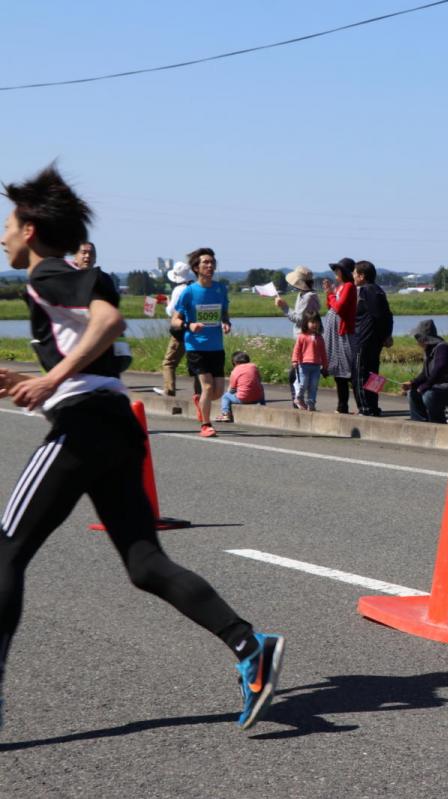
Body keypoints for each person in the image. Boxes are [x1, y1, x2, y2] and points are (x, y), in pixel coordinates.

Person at [0, 164, 282, 732]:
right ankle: (250, 647)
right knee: (144, 563)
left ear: (30, 228)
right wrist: (28, 376)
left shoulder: (46, 273)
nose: (2, 234)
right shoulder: (68, 275)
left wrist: (53, 382)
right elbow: (93, 343)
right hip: (117, 426)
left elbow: (107, 320)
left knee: (5, 554)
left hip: (83, 427)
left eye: (7, 223)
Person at [171, 247, 230, 438]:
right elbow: (175, 320)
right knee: (207, 387)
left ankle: (200, 401)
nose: (210, 266)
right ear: (196, 268)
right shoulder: (189, 292)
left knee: (218, 391)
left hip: (216, 346)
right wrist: (190, 325)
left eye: (212, 262)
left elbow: (224, 313)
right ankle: (206, 425)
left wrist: (226, 323)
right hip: (195, 346)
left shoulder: (220, 289)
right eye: (206, 262)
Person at [274, 265, 320, 408]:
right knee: (298, 374)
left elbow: (300, 319)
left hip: (305, 340)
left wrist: (284, 307)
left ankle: (299, 402)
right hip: (302, 338)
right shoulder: (303, 295)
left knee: (298, 374)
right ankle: (299, 401)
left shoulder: (308, 297)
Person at [353, 260, 393, 417]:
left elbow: (377, 315)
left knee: (359, 375)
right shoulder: (379, 290)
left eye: (355, 274)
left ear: (362, 276)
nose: (353, 276)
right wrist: (386, 335)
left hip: (364, 340)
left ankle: (365, 408)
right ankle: (374, 406)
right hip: (375, 341)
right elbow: (388, 316)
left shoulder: (365, 290)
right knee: (373, 375)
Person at [404, 320, 448, 424]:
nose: (417, 341)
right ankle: (420, 422)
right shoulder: (429, 350)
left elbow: (439, 369)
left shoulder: (443, 348)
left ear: (424, 338)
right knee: (412, 393)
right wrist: (412, 383)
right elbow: (425, 374)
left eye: (417, 338)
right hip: (439, 387)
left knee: (429, 395)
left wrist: (425, 386)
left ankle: (437, 423)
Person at [322, 258, 357, 414]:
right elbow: (330, 305)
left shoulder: (349, 287)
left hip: (343, 333)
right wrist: (330, 293)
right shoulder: (340, 288)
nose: (336, 273)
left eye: (338, 270)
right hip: (335, 334)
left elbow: (339, 308)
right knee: (338, 371)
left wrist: (330, 295)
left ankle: (363, 406)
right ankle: (342, 406)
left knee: (349, 370)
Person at [155, 260, 193, 398]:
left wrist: (168, 302)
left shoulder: (178, 290)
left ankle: (169, 390)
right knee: (195, 364)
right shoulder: (194, 287)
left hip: (180, 330)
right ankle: (199, 393)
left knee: (168, 362)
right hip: (193, 330)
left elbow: (171, 312)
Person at [292, 312, 328, 411]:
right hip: (303, 365)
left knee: (313, 385)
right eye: (312, 322)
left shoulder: (319, 338)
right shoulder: (302, 336)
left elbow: (323, 353)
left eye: (316, 322)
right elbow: (297, 349)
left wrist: (325, 366)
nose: (314, 324)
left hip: (316, 366)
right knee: (303, 384)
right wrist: (295, 360)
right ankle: (299, 398)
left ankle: (311, 402)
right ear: (306, 323)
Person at [218, 350, 266, 421]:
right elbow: (259, 379)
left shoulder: (235, 370)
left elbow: (232, 388)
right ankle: (263, 405)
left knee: (225, 396)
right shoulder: (254, 367)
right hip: (258, 398)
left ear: (234, 362)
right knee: (260, 387)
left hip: (243, 399)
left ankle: (225, 414)